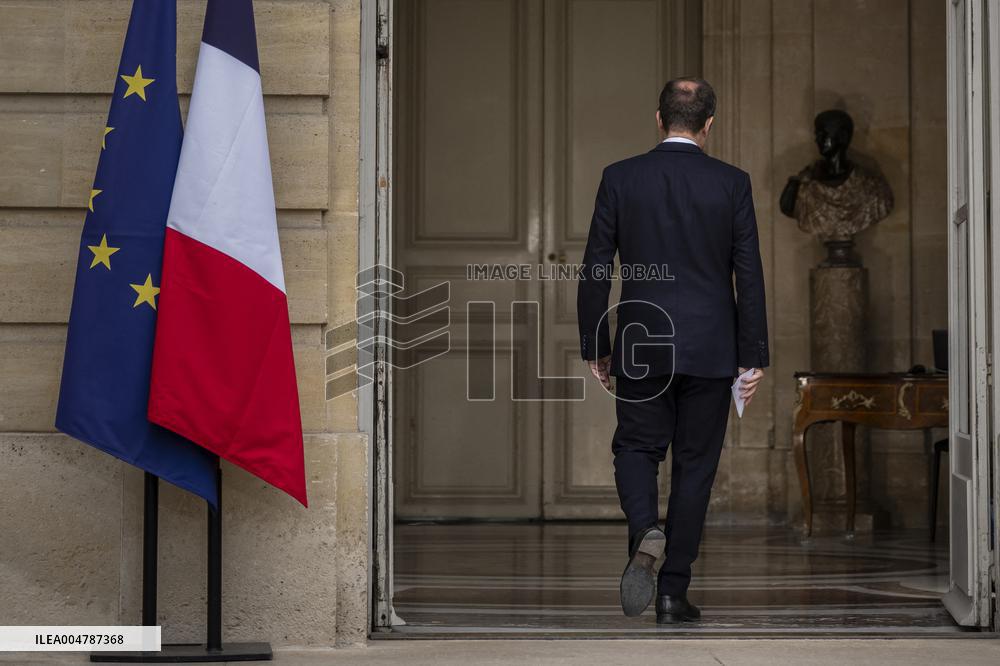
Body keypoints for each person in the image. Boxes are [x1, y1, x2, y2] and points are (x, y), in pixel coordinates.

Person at [576, 77, 769, 624]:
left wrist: (597, 342)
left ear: (658, 119)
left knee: (636, 448)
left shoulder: (620, 177)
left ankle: (645, 529)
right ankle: (671, 593)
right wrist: (752, 355)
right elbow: (747, 274)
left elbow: (596, 269)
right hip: (711, 344)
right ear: (708, 125)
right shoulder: (733, 183)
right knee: (695, 466)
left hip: (641, 339)